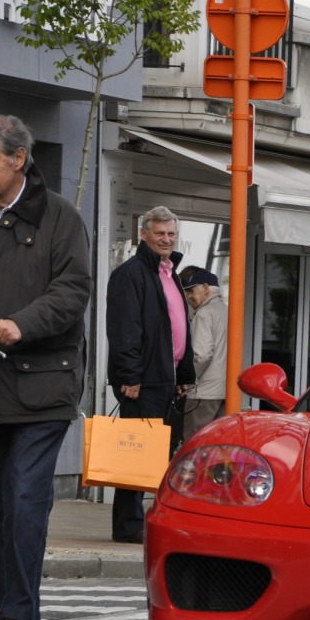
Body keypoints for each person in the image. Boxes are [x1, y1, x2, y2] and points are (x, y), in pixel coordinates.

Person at [0, 113, 92, 620]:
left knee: (23, 496)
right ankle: (6, 609)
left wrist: (23, 323)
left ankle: (18, 615)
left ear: (19, 159)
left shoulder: (61, 219)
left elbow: (73, 290)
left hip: (41, 388)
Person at [105, 205, 195, 544]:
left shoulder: (168, 272)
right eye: (160, 233)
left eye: (171, 233)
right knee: (135, 455)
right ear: (144, 234)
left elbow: (176, 327)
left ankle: (145, 520)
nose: (167, 239)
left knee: (157, 455)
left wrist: (184, 373)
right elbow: (125, 328)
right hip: (143, 380)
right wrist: (129, 375)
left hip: (166, 378)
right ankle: (128, 525)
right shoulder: (131, 274)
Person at [178, 266, 227, 438]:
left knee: (195, 445)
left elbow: (201, 354)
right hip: (225, 392)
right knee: (217, 447)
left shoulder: (204, 314)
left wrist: (185, 380)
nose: (189, 297)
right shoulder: (228, 311)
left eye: (191, 291)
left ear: (206, 287)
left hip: (203, 393)